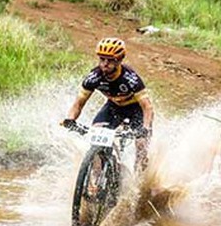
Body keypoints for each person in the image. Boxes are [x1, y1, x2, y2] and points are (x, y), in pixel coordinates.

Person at [62, 38, 154, 171]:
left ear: (120, 60)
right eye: (102, 59)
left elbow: (147, 107)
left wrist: (145, 128)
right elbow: (79, 103)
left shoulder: (131, 79)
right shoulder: (94, 77)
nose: (105, 64)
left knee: (141, 144)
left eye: (110, 60)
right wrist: (70, 119)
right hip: (114, 108)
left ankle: (139, 180)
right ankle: (96, 178)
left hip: (136, 110)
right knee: (97, 132)